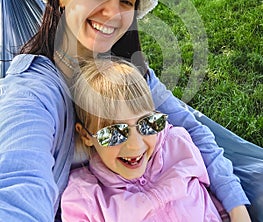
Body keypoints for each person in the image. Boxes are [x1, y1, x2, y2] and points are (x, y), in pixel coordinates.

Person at [0, 0, 250, 222]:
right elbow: (17, 181)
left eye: (126, 1)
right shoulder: (32, 90)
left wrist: (236, 205)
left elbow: (191, 129)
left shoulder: (131, 73)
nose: (112, 13)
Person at [61, 58, 225, 222]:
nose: (135, 145)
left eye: (146, 123)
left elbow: (211, 200)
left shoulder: (177, 146)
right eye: (114, 132)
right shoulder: (85, 200)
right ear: (86, 136)